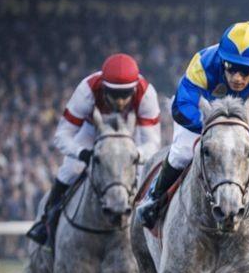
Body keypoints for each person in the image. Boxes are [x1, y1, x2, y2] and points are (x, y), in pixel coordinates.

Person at [136, 21, 249, 229]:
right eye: (231, 68)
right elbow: (182, 105)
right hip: (208, 112)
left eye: (246, 71)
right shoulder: (203, 61)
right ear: (222, 60)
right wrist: (210, 127)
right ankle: (154, 199)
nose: (237, 77)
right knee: (182, 152)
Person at [26, 53, 161, 245]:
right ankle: (47, 222)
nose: (120, 102)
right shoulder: (87, 89)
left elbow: (152, 144)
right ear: (103, 87)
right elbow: (62, 135)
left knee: (141, 175)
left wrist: (135, 155)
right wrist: (82, 153)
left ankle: (152, 225)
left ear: (134, 89)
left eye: (125, 95)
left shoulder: (146, 94)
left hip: (130, 134)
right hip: (93, 130)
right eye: (114, 94)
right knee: (70, 169)